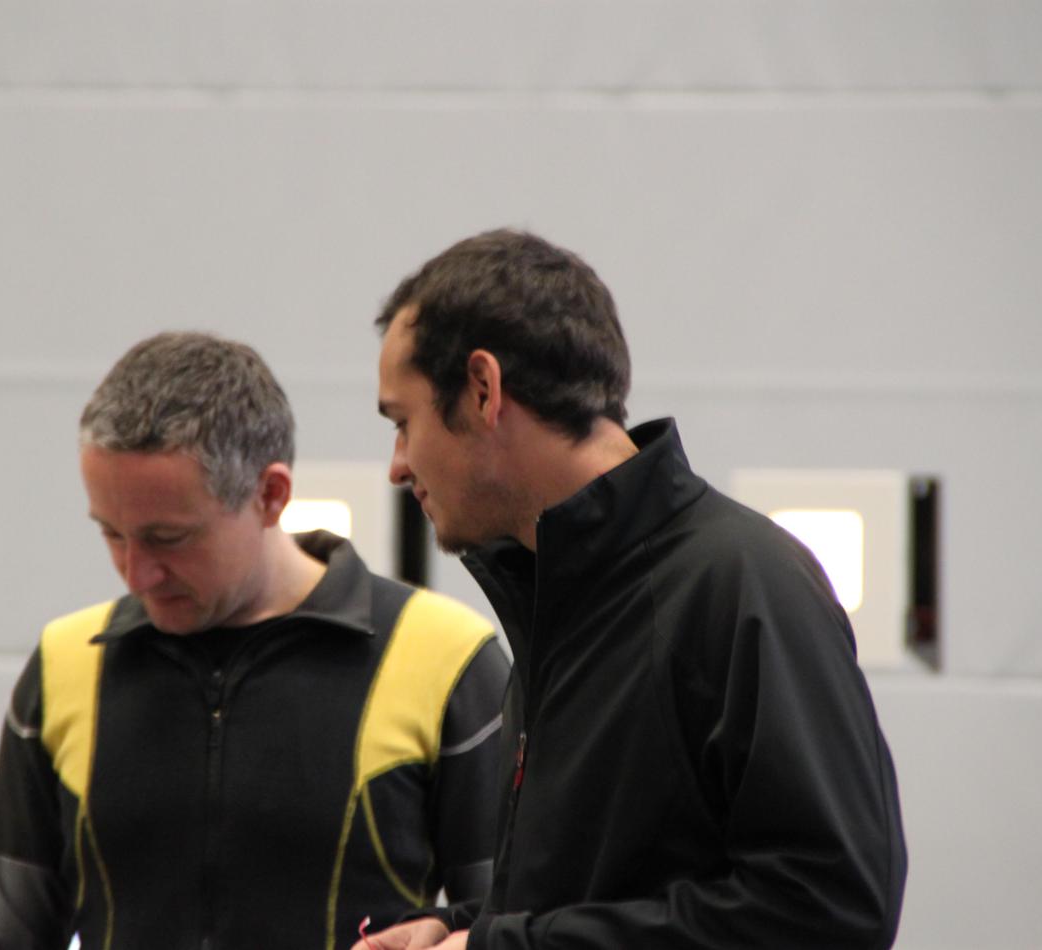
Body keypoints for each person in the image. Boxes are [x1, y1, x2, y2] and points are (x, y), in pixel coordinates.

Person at [357, 230, 907, 949]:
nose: (397, 466)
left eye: (404, 423)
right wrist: (458, 929)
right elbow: (603, 888)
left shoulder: (741, 584)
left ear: (484, 390)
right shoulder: (558, 601)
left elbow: (831, 909)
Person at [0, 331, 510, 950]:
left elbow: (512, 925)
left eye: (168, 538)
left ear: (270, 495)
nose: (136, 574)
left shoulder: (444, 660)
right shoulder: (66, 664)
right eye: (112, 533)